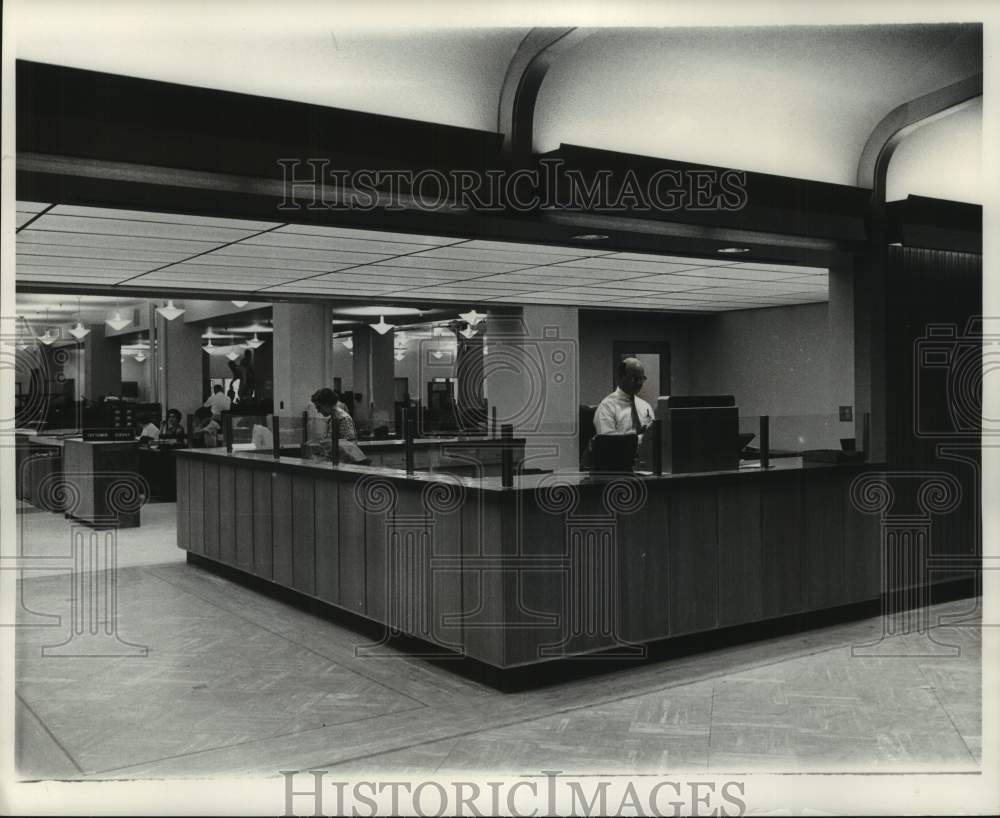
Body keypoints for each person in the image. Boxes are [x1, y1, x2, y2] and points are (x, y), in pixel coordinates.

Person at [594, 357, 656, 438]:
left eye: (641, 378)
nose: (639, 383)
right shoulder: (606, 407)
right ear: (620, 377)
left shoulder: (645, 406)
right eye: (635, 378)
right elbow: (608, 443)